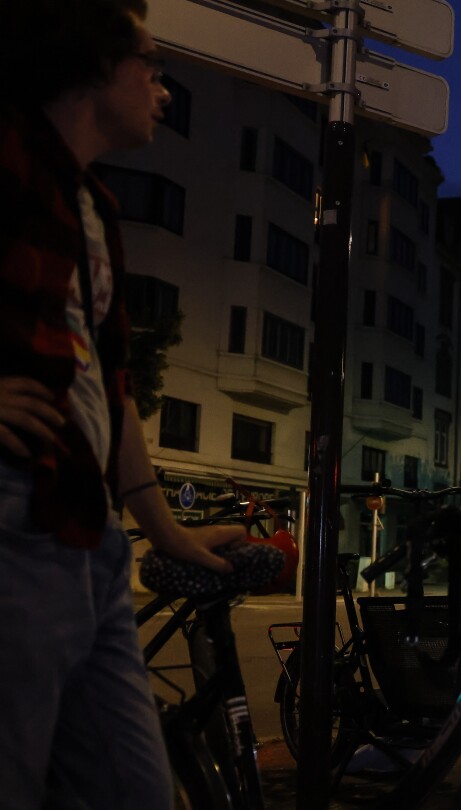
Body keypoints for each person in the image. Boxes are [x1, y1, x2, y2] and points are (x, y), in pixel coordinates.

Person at [0, 2, 244, 807]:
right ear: (95, 62)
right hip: (16, 524)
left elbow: (111, 386)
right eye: (151, 63)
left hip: (90, 537)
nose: (162, 88)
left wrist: (164, 531)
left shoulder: (96, 206)